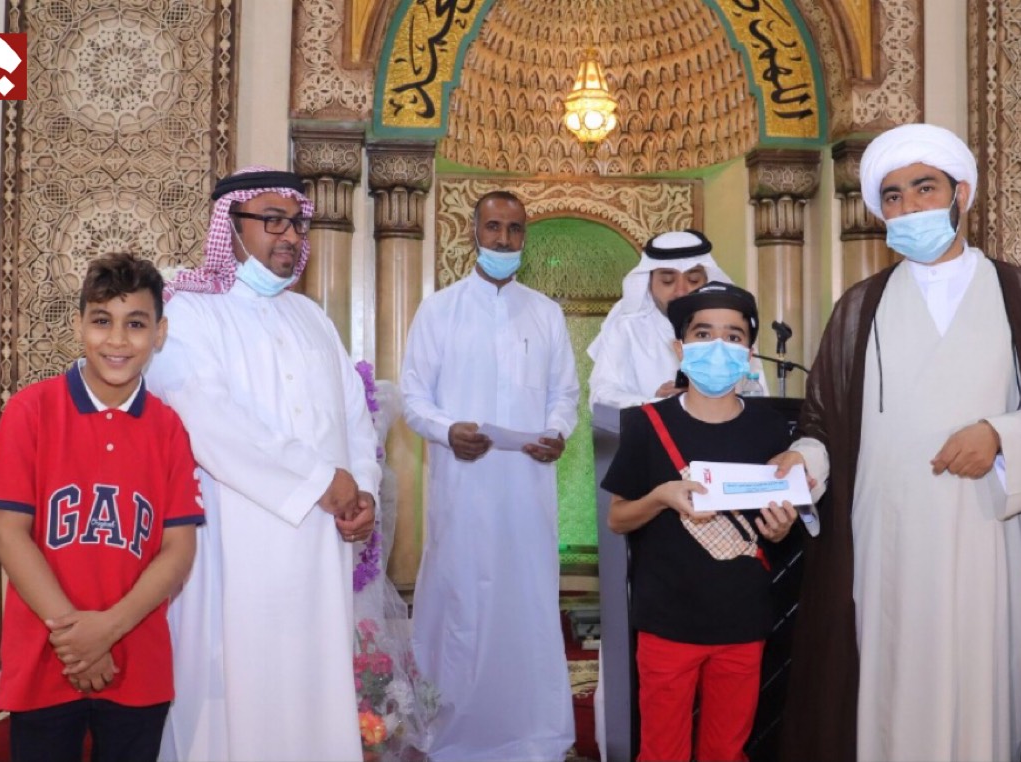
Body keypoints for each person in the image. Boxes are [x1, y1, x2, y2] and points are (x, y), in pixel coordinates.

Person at [777, 123, 1021, 762]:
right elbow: (824, 427)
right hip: (889, 544)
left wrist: (1000, 436)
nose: (908, 206)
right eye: (894, 195)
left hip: (988, 538)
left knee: (984, 693)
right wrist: (800, 460)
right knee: (894, 697)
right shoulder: (860, 307)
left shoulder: (1019, 295)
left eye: (924, 188)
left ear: (961, 194)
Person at [144, 166, 379, 762]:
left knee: (315, 682)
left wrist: (364, 494)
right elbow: (212, 424)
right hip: (237, 541)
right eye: (273, 221)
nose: (291, 236)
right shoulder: (190, 315)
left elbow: (354, 418)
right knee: (239, 685)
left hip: (322, 543)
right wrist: (321, 481)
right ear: (231, 225)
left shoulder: (312, 317)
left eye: (297, 223)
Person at [0, 253, 204, 762]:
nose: (117, 340)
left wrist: (107, 630)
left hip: (136, 660)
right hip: (44, 656)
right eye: (102, 321)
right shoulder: (31, 411)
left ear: (160, 333)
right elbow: (9, 534)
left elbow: (178, 549)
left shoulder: (169, 429)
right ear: (80, 325)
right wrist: (76, 639)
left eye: (136, 324)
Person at [401, 190, 580, 761]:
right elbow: (412, 398)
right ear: (473, 232)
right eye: (494, 227)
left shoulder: (545, 313)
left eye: (515, 229)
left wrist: (557, 431)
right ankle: (451, 734)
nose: (504, 239)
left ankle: (532, 734)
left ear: (525, 236)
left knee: (525, 605)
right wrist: (447, 429)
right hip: (463, 488)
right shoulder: (439, 310)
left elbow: (565, 394)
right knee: (461, 604)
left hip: (527, 490)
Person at [601, 282, 798, 761]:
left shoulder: (771, 428)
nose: (717, 347)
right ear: (680, 348)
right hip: (666, 621)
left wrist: (780, 528)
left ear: (748, 356)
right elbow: (618, 518)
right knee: (662, 751)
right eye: (703, 334)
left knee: (726, 750)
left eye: (732, 337)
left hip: (742, 620)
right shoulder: (647, 425)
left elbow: (778, 520)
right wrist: (661, 497)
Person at [588, 230, 765, 409]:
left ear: (707, 280)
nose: (681, 291)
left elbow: (757, 396)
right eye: (667, 281)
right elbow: (601, 402)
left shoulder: (731, 327)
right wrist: (657, 404)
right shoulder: (626, 324)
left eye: (693, 280)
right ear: (649, 282)